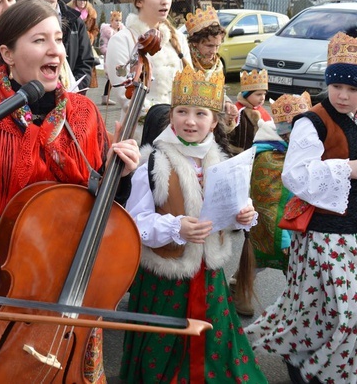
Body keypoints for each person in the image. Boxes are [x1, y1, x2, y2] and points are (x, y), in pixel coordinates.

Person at [0, 0, 140, 382]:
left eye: (59, 39)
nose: (55, 50)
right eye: (39, 40)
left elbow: (103, 212)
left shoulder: (85, 115)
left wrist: (122, 175)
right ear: (7, 53)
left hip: (69, 292)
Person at [247, 32, 357, 384]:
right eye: (337, 86)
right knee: (324, 309)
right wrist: (343, 169)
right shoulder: (312, 121)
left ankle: (317, 366)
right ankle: (309, 366)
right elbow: (295, 175)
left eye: (354, 88)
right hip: (322, 235)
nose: (343, 95)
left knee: (351, 311)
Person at [122, 63, 265, 383]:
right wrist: (176, 228)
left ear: (214, 121)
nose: (190, 120)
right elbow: (133, 223)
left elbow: (236, 203)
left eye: (200, 114)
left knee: (213, 341)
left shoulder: (222, 161)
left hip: (209, 271)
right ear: (171, 116)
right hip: (166, 274)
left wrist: (244, 214)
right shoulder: (154, 160)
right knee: (164, 346)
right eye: (182, 111)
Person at [231, 92, 311, 318]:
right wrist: (284, 237)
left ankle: (298, 305)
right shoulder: (268, 157)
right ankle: (240, 286)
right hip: (276, 226)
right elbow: (269, 206)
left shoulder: (304, 149)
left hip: (301, 222)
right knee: (260, 255)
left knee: (296, 267)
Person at [105, 0, 190, 118]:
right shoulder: (121, 40)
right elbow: (126, 98)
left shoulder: (178, 38)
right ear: (139, 1)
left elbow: (190, 86)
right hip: (141, 135)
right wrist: (167, 119)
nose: (165, 0)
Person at [31, 0, 95, 91]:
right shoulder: (24, 20)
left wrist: (76, 88)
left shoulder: (75, 21)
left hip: (71, 96)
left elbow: (86, 61)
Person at [229, 69, 272, 153]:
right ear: (246, 96)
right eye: (258, 94)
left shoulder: (262, 111)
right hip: (237, 155)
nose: (263, 97)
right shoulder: (237, 111)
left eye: (264, 94)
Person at [185, 6, 225, 77]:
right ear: (195, 42)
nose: (214, 51)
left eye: (217, 46)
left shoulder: (218, 65)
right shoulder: (183, 62)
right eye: (209, 46)